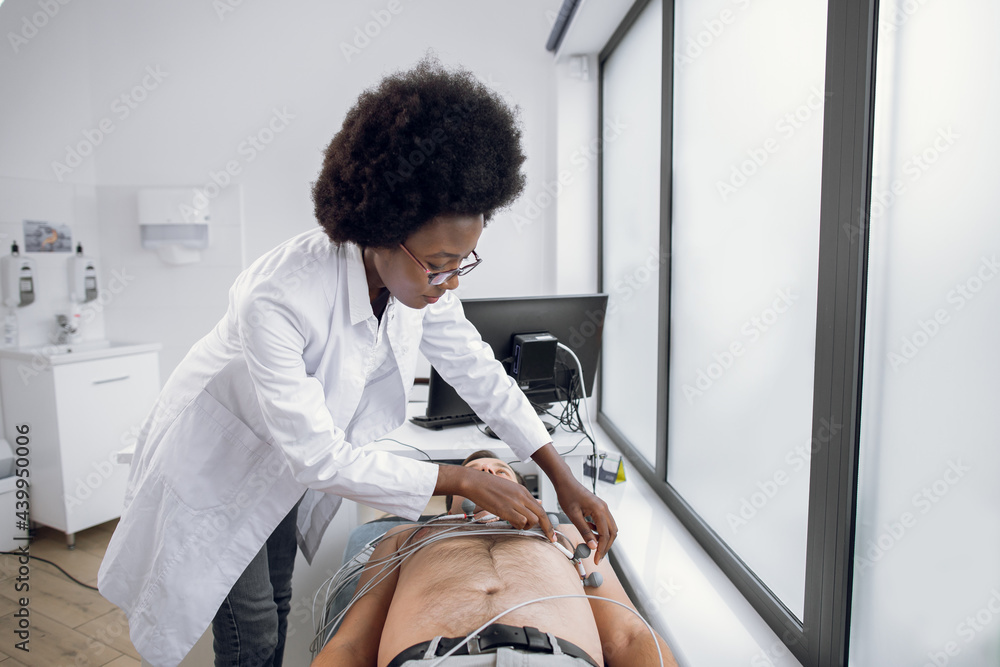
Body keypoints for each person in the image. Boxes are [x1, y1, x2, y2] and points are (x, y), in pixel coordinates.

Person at [97, 55, 617, 667]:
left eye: (462, 263)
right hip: (218, 465)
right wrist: (458, 480)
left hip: (285, 463)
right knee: (254, 623)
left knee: (281, 590)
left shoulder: (418, 284)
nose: (448, 281)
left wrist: (560, 475)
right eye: (438, 263)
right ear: (383, 228)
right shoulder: (281, 295)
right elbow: (317, 455)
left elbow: (479, 371)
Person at [311, 454, 676, 667]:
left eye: (502, 472)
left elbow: (629, 636)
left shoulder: (569, 536)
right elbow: (352, 644)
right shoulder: (403, 537)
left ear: (524, 492)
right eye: (475, 473)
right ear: (451, 498)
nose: (489, 474)